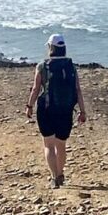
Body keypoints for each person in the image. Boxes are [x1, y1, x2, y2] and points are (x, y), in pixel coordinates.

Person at [25, 33, 87, 187]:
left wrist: (30, 106)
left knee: (49, 145)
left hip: (46, 110)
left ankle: (54, 177)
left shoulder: (42, 65)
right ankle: (61, 174)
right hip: (65, 111)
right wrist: (82, 111)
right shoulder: (70, 66)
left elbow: (35, 89)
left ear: (50, 47)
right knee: (61, 145)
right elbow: (78, 90)